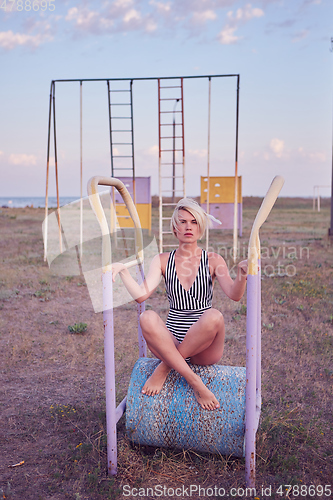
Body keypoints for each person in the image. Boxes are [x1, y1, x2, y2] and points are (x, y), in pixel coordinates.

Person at [111, 198, 247, 411]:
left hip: (205, 349)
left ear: (200, 226)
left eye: (193, 222)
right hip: (171, 342)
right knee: (146, 317)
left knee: (214, 315)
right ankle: (195, 381)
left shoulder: (213, 259)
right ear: (174, 227)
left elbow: (234, 294)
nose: (188, 227)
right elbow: (141, 296)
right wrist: (123, 271)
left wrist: (242, 274)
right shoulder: (163, 260)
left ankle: (165, 368)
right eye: (183, 222)